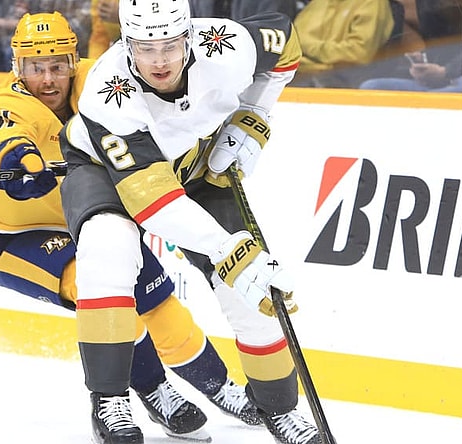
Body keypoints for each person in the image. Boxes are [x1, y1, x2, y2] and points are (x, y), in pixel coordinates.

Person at [0, 11, 262, 443]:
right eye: (35, 68)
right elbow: (5, 139)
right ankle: (150, 389)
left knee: (160, 302)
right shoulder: (6, 101)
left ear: (74, 60)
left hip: (90, 221)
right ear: (18, 67)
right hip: (15, 236)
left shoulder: (103, 79)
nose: (48, 80)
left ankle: (218, 386)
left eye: (57, 66)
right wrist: (20, 162)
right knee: (102, 292)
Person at [59, 1, 320, 443]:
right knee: (108, 247)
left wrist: (254, 115)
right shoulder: (107, 90)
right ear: (126, 43)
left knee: (253, 287)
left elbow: (286, 43)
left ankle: (280, 408)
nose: (159, 61)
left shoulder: (227, 46)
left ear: (189, 36)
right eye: (144, 47)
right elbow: (150, 199)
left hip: (198, 163)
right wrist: (227, 249)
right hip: (106, 172)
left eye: (169, 45)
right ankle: (109, 401)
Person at [358, 0, 462, 93]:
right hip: (440, 81)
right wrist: (423, 60)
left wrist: (447, 71)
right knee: (372, 87)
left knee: (443, 98)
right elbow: (440, 41)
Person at [290, 0, 397, 88]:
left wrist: (311, 49)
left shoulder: (372, 4)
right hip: (302, 72)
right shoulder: (319, 3)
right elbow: (294, 38)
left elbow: (359, 53)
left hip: (344, 79)